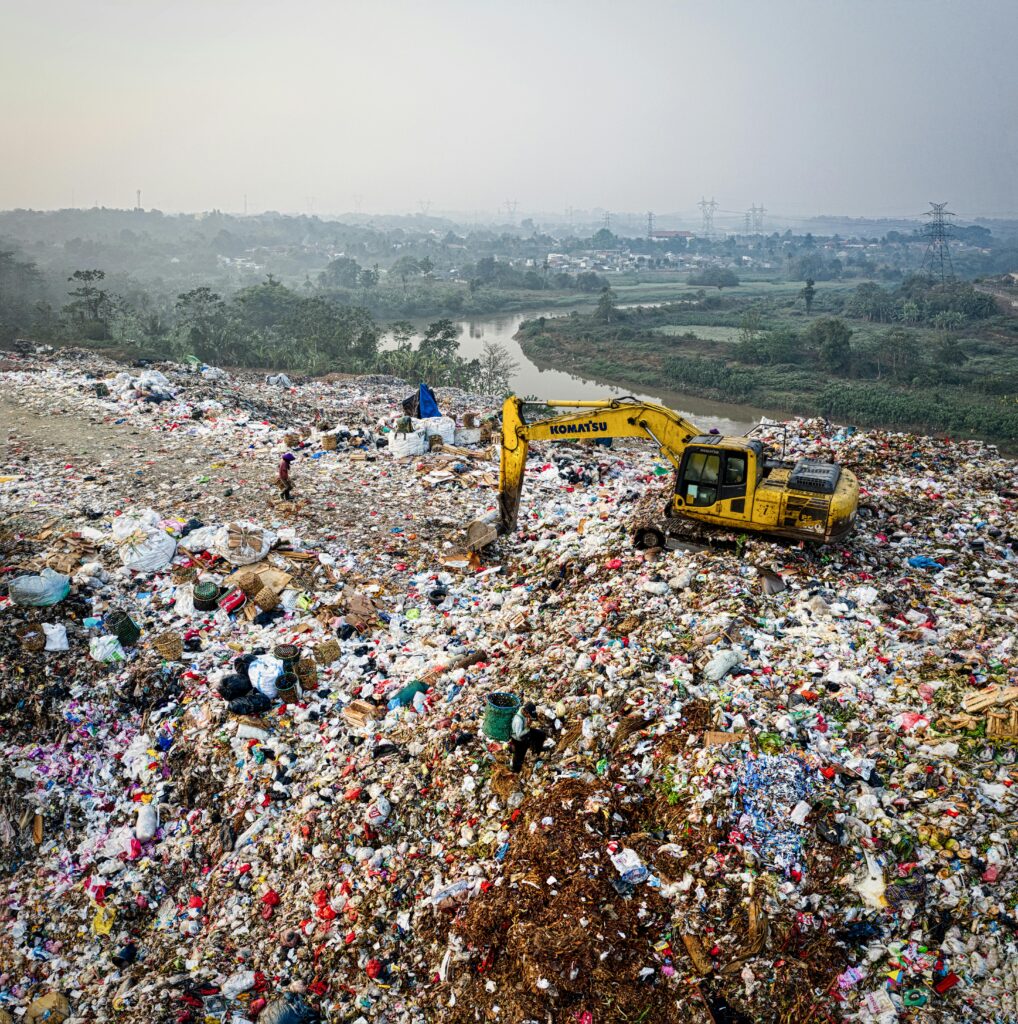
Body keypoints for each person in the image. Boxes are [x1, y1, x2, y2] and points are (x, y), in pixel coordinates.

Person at [509, 702, 550, 773]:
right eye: (529, 715)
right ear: (525, 712)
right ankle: (515, 771)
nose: (530, 717)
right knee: (519, 756)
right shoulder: (518, 721)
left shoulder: (523, 710)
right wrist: (527, 727)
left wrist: (529, 721)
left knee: (541, 735)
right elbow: (519, 735)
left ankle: (536, 750)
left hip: (525, 730)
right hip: (518, 738)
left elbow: (533, 717)